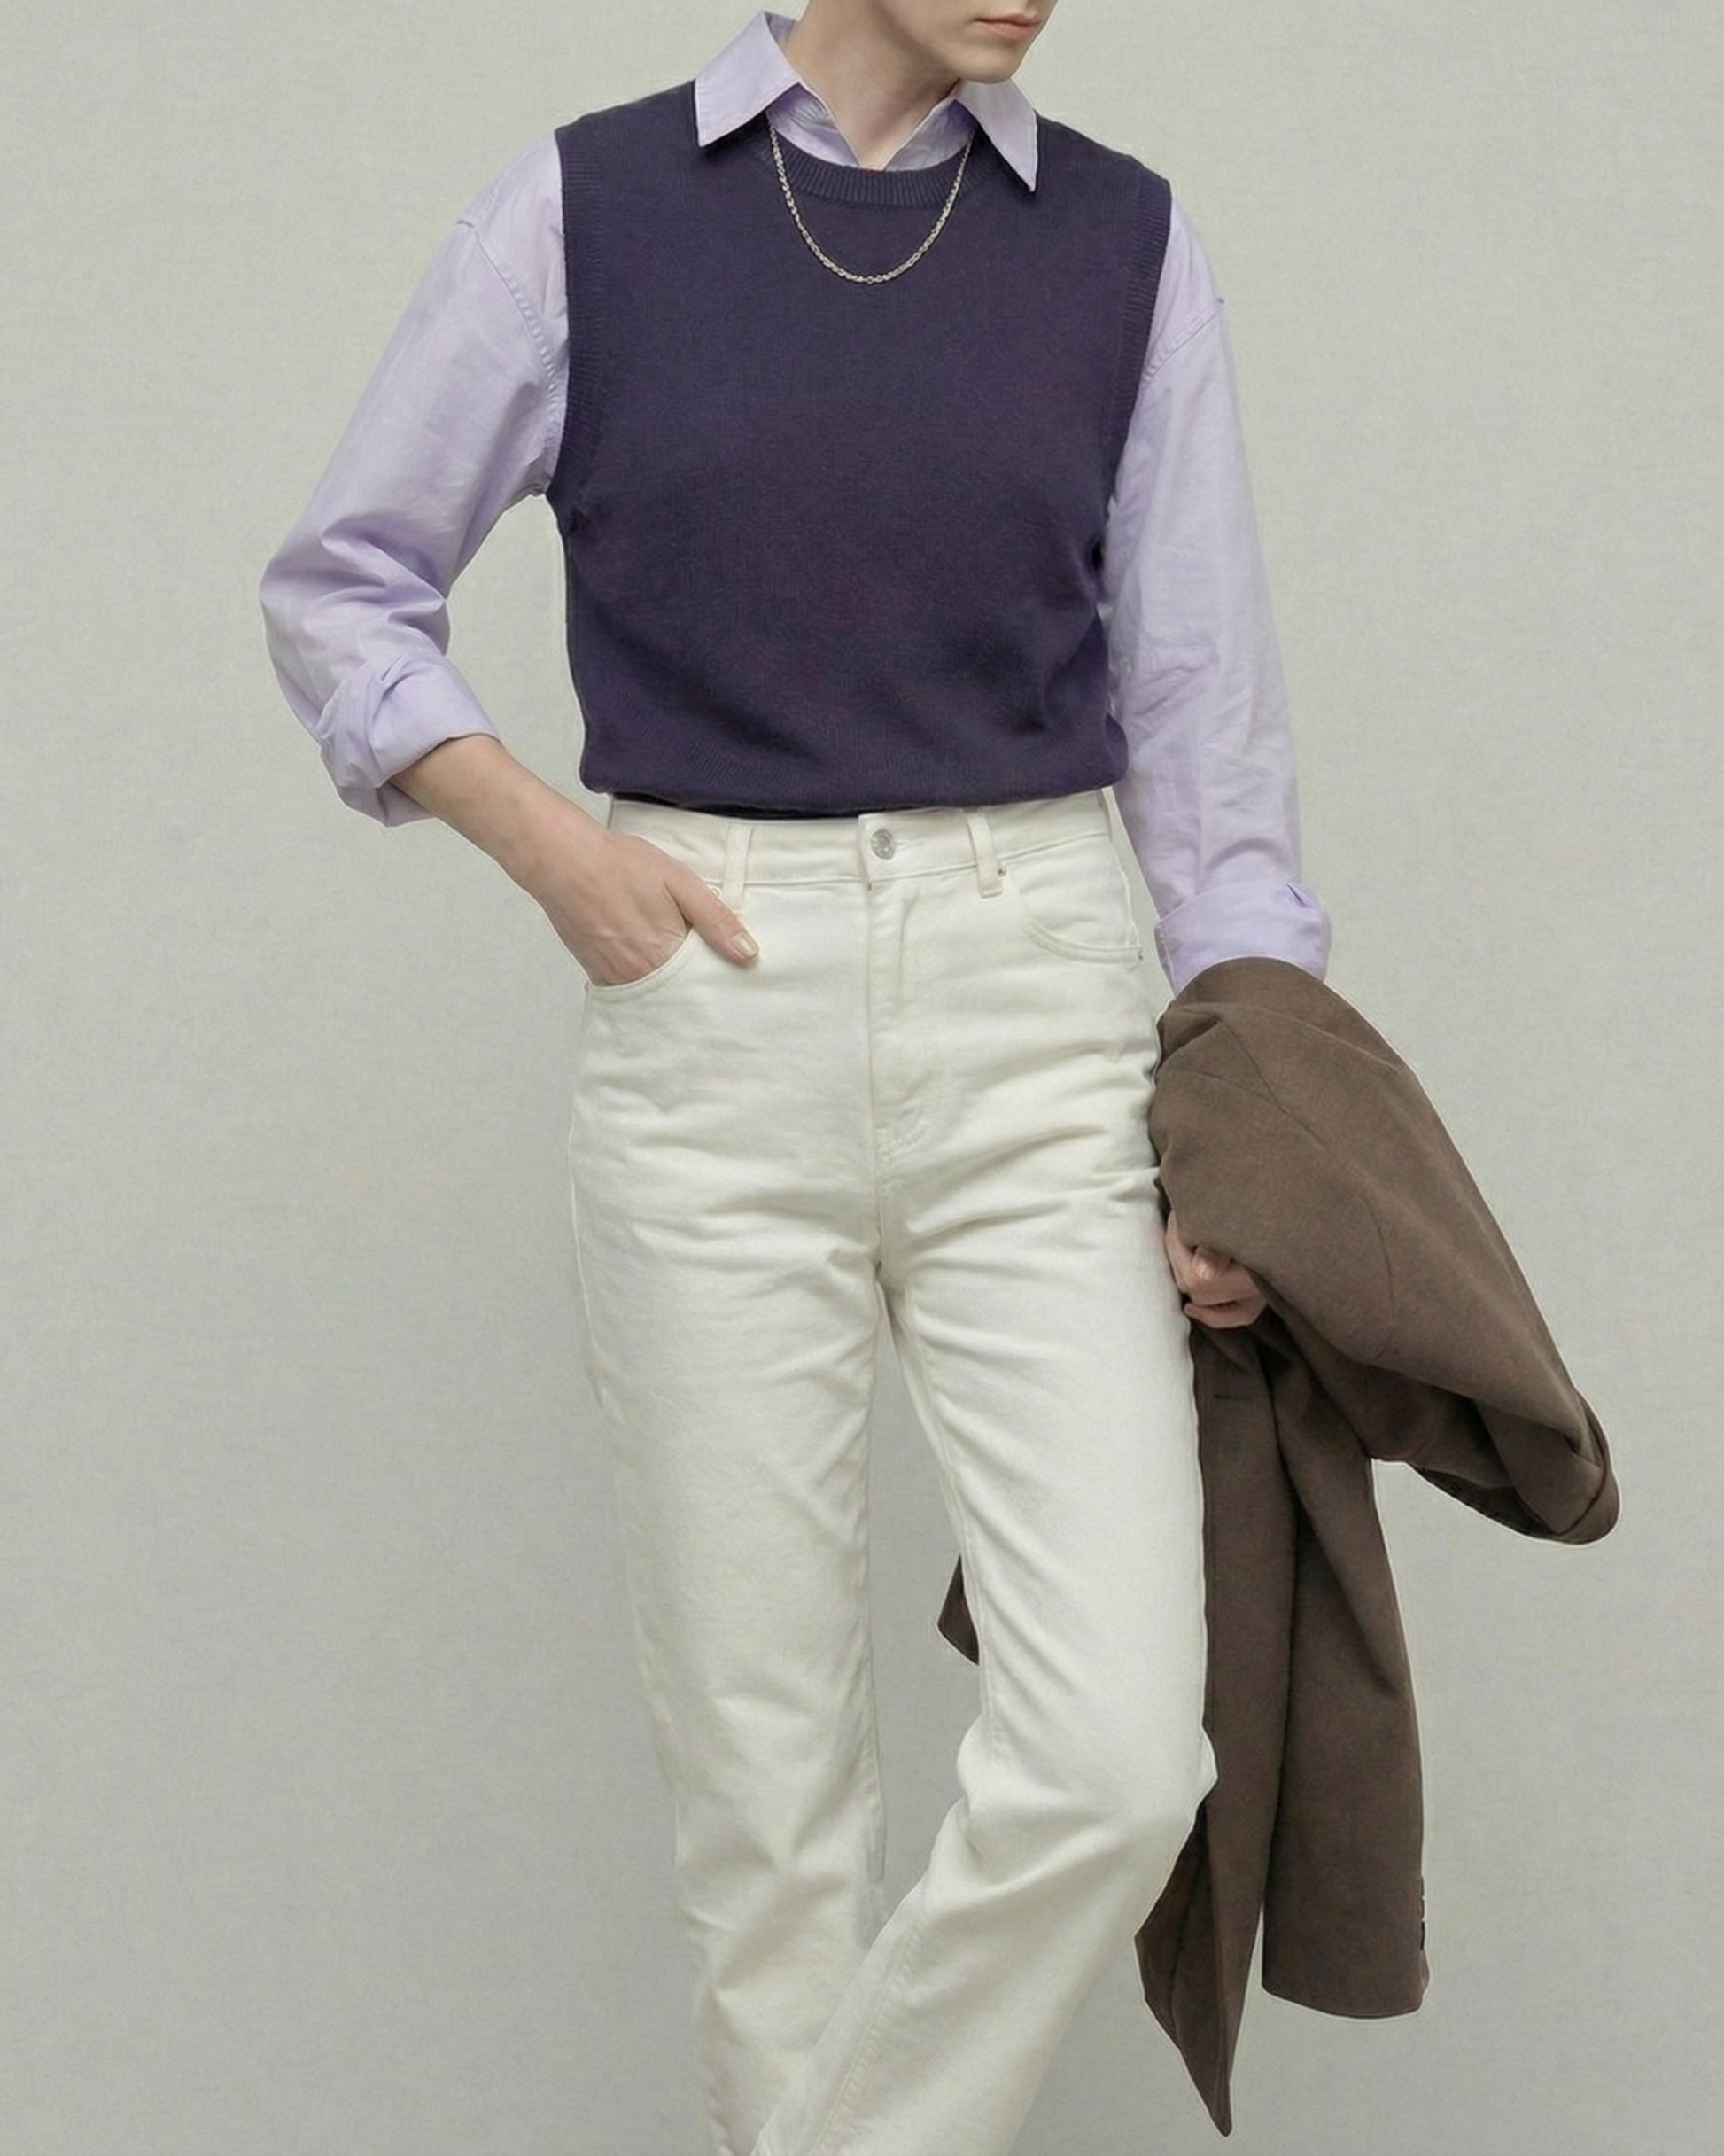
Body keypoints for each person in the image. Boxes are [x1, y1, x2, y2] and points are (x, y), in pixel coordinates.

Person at [260, 6, 1331, 2152]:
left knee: (1119, 1753)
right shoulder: (587, 211)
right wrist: (553, 848)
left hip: (1041, 1003)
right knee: (767, 1810)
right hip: (712, 1003)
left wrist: (1253, 1128)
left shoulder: (1122, 245)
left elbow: (1210, 749)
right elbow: (343, 588)